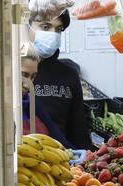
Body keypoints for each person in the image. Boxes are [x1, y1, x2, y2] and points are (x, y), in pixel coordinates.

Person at [30, 12, 92, 150]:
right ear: (26, 26)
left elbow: (78, 128)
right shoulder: (11, 73)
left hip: (59, 161)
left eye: (58, 29)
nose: (53, 34)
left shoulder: (68, 75)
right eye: (45, 27)